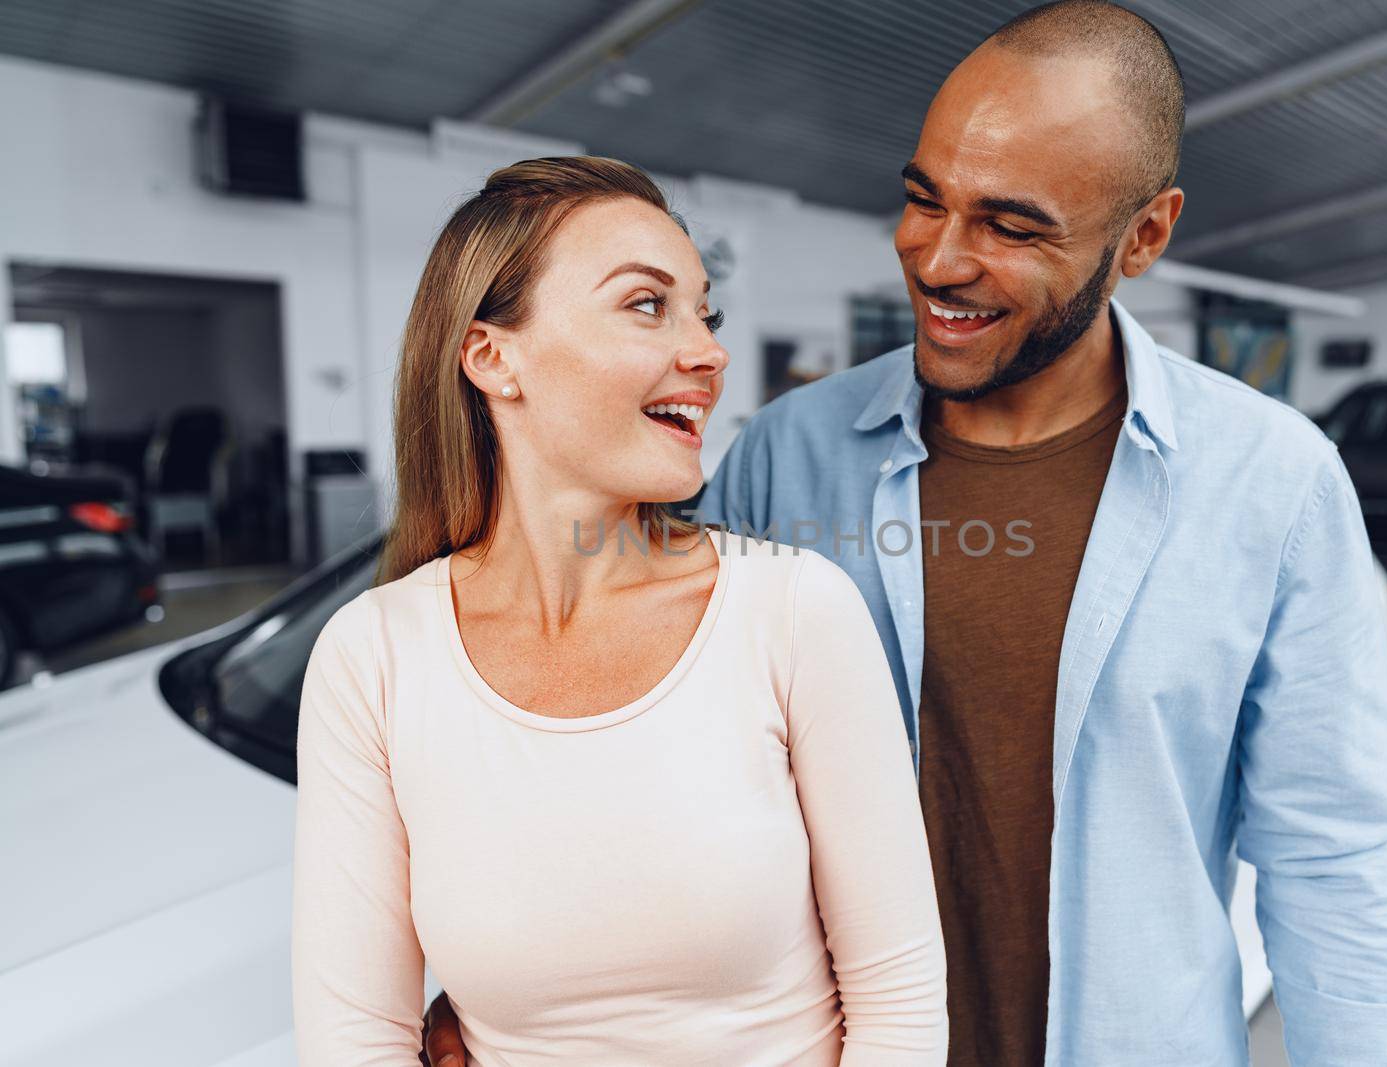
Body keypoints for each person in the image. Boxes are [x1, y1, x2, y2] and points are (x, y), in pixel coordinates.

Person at [424, 4, 1387, 1066]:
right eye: (921, 198)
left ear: (1143, 235)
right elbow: (663, 770)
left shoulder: (1271, 482)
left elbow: (1328, 862)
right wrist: (516, 997)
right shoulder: (787, 455)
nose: (938, 260)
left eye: (1010, 224)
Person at [292, 157, 948, 1065]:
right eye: (648, 305)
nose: (710, 352)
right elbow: (355, 1042)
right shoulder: (373, 657)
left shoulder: (794, 612)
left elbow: (902, 1006)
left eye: (704, 312)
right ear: (493, 356)